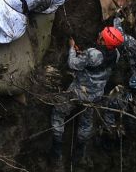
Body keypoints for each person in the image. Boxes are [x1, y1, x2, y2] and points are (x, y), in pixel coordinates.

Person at [50, 27, 122, 157]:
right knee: (86, 122)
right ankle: (79, 150)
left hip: (78, 92)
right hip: (95, 96)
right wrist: (84, 55)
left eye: (102, 36)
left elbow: (72, 64)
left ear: (104, 41)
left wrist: (72, 48)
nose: (99, 34)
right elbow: (94, 61)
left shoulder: (93, 54)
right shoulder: (116, 54)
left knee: (59, 112)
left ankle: (57, 147)